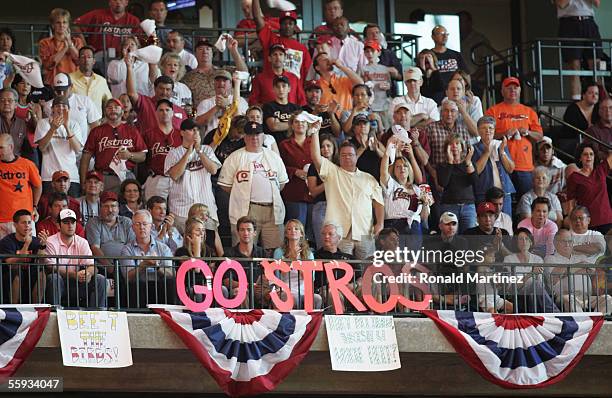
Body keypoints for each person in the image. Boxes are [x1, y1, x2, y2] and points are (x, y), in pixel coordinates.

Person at [310, 127, 384, 259]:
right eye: (343, 155)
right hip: (340, 235)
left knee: (367, 271)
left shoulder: (369, 178)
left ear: (356, 157)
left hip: (365, 233)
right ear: (339, 157)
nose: (347, 157)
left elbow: (378, 202)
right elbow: (316, 157)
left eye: (350, 154)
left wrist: (380, 223)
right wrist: (315, 132)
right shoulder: (332, 172)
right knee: (342, 273)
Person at [218, 122, 289, 251]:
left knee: (275, 252)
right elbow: (226, 186)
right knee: (244, 251)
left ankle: (271, 272)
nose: (254, 138)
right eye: (250, 135)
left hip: (272, 210)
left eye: (257, 135)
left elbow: (282, 184)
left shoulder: (274, 157)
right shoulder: (234, 157)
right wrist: (241, 194)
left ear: (263, 136)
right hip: (247, 209)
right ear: (244, 137)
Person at [485, 77, 544, 198]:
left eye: (515, 87)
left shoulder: (529, 111)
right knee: (503, 201)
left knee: (527, 201)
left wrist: (527, 132)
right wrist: (504, 134)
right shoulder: (493, 111)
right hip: (502, 164)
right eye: (509, 87)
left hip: (524, 165)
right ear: (502, 91)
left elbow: (539, 136)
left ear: (520, 90)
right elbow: (486, 135)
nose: (513, 90)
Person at [165, 118, 221, 233]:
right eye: (191, 130)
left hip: (206, 208)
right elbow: (174, 175)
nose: (196, 133)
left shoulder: (207, 150)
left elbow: (213, 170)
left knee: (209, 245)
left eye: (197, 130)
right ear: (182, 132)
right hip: (181, 210)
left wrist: (199, 150)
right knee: (184, 246)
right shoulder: (173, 153)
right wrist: (189, 151)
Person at [80, 98, 147, 193]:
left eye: (116, 107)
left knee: (127, 205)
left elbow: (143, 156)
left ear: (122, 111)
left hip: (126, 175)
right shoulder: (97, 131)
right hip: (104, 176)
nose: (113, 109)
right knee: (105, 206)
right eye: (109, 107)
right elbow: (86, 157)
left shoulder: (132, 131)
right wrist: (83, 181)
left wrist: (130, 155)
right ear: (105, 111)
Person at [46, 209, 106, 307]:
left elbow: (92, 266)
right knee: (54, 278)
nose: (70, 225)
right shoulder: (50, 241)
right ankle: (55, 311)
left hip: (79, 281)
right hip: (62, 281)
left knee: (100, 279)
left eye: (73, 222)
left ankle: (98, 313)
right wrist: (74, 275)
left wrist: (88, 273)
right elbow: (51, 267)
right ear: (58, 225)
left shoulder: (82, 242)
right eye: (66, 222)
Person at [545, 229, 611, 312]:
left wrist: (566, 271)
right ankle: (581, 324)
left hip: (586, 297)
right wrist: (579, 267)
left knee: (607, 299)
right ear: (555, 243)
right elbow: (555, 278)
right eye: (563, 241)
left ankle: (597, 323)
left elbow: (591, 271)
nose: (567, 244)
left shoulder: (580, 257)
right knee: (570, 299)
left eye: (570, 241)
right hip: (565, 296)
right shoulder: (550, 259)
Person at [119, 209, 175, 308]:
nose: (142, 227)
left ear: (151, 226)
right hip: (138, 287)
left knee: (169, 283)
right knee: (135, 284)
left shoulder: (163, 248)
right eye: (137, 224)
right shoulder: (127, 249)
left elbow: (171, 274)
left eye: (145, 224)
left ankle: (170, 314)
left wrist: (157, 267)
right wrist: (142, 266)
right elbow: (128, 277)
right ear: (132, 227)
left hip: (159, 285)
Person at [380, 138, 429, 249]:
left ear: (409, 169)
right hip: (394, 226)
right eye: (398, 166)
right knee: (396, 261)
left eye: (405, 166)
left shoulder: (418, 189)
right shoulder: (391, 184)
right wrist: (388, 149)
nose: (402, 168)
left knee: (412, 262)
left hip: (414, 228)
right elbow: (383, 171)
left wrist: (425, 204)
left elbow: (424, 217)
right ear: (393, 170)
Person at [125, 50, 188, 134]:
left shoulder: (180, 110)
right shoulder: (146, 103)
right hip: (148, 145)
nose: (164, 92)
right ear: (154, 88)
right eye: (161, 88)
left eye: (168, 89)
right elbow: (131, 94)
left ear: (172, 92)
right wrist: (129, 67)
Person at [34, 96, 83, 196]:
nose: (61, 108)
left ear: (69, 109)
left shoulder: (74, 125)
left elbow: (77, 149)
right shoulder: (43, 123)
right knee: (50, 209)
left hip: (71, 177)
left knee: (71, 210)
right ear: (52, 109)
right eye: (57, 106)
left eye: (64, 106)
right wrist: (52, 129)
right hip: (49, 177)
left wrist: (66, 126)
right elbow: (42, 147)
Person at [555, 0, 603, 99]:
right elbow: (561, 3)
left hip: (588, 21)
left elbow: (597, 3)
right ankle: (576, 103)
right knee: (574, 67)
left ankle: (600, 101)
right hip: (569, 22)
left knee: (596, 66)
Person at [253, 0, 311, 81]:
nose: (287, 26)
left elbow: (308, 73)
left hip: (294, 91)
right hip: (273, 88)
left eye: (290, 23)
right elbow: (257, 18)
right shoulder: (271, 39)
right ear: (280, 26)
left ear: (295, 27)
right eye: (284, 23)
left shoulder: (302, 49)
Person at [181, 38, 248, 108]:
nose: (205, 52)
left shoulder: (225, 71)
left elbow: (244, 73)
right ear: (195, 54)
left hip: (229, 113)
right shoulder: (187, 78)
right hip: (203, 115)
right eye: (200, 49)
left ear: (212, 53)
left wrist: (234, 50)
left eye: (208, 49)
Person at [503, 228, 558, 313]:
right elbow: (511, 288)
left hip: (535, 295)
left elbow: (541, 284)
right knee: (535, 287)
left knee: (534, 291)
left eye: (527, 239)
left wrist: (536, 275)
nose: (524, 242)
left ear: (531, 242)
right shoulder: (509, 259)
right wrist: (530, 274)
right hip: (518, 296)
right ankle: (556, 313)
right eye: (520, 239)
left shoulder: (537, 259)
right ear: (516, 242)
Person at [427, 99, 478, 189]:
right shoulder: (431, 128)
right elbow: (426, 156)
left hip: (461, 178)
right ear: (441, 112)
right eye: (446, 110)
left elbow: (467, 154)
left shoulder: (463, 129)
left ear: (458, 114)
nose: (449, 114)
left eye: (453, 111)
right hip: (439, 176)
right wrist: (433, 174)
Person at [73, 0, 141, 67]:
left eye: (121, 0)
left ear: (126, 2)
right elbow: (76, 25)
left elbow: (138, 41)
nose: (118, 2)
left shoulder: (134, 20)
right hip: (97, 56)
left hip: (122, 57)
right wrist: (85, 46)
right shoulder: (97, 14)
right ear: (109, 2)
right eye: (114, 0)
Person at [0, 210, 47, 304]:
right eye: (23, 222)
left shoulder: (35, 241)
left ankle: (37, 307)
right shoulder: (7, 242)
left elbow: (41, 260)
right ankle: (14, 308)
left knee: (41, 273)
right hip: (10, 277)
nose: (27, 225)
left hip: (30, 277)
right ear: (15, 225)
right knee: (16, 272)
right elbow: (10, 262)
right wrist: (26, 244)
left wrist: (42, 245)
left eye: (29, 222)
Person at [273, 219, 322, 309]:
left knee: (317, 298)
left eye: (296, 229)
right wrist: (292, 260)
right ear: (286, 234)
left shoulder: (308, 254)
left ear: (302, 234)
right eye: (289, 229)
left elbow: (309, 278)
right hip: (285, 289)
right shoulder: (279, 252)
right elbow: (278, 276)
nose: (293, 231)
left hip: (304, 290)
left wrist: (297, 262)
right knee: (293, 298)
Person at [0, 134, 42, 240]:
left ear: (11, 147)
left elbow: (38, 186)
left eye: (1, 148)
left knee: (27, 253)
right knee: (4, 255)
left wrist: (34, 206)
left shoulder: (27, 164)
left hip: (24, 219)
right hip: (2, 219)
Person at [566, 142, 612, 234]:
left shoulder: (600, 170)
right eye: (585, 154)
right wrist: (572, 224)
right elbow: (571, 203)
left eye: (591, 154)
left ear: (595, 157)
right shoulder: (574, 177)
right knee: (591, 248)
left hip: (606, 219)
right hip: (587, 222)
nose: (589, 157)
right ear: (580, 158)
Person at [278, 112, 314, 229]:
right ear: (292, 125)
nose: (300, 124)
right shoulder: (284, 145)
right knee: (297, 230)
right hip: (294, 192)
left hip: (314, 193)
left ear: (307, 124)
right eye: (296, 122)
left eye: (303, 121)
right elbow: (279, 167)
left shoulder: (314, 143)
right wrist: (295, 171)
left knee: (313, 231)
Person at [472, 116, 514, 215]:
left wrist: (502, 152)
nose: (488, 131)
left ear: (494, 130)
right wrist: (486, 153)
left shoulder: (501, 145)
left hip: (504, 194)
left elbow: (510, 169)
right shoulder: (474, 148)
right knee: (486, 223)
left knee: (505, 223)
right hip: (484, 194)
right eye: (484, 128)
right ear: (478, 131)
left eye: (490, 128)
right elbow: (475, 171)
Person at [141, 99, 182, 201]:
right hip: (156, 178)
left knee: (177, 213)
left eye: (167, 110)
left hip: (178, 179)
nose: (164, 113)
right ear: (156, 113)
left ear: (172, 113)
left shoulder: (181, 134)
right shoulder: (148, 134)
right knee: (154, 211)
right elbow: (143, 159)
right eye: (161, 110)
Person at [223, 216, 269, 308]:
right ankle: (244, 322)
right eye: (242, 230)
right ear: (238, 232)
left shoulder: (262, 253)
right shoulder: (229, 254)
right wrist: (248, 285)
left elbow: (268, 276)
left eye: (249, 230)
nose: (246, 233)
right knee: (241, 292)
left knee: (274, 294)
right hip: (238, 289)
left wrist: (261, 286)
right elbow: (226, 281)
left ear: (255, 232)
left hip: (259, 290)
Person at [436, 134, 477, 233]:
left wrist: (468, 161)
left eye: (457, 143)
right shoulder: (442, 165)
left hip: (468, 206)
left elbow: (474, 181)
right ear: (447, 148)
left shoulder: (468, 164)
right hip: (449, 206)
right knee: (450, 237)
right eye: (451, 144)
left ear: (462, 147)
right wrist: (450, 162)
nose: (454, 146)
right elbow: (443, 183)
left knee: (469, 237)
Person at [85, 190, 135, 271]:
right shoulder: (93, 223)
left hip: (125, 266)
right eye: (106, 206)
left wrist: (124, 266)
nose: (110, 210)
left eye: (113, 206)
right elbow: (95, 248)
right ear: (100, 208)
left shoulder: (126, 222)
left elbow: (131, 246)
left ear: (118, 208)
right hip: (103, 267)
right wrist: (111, 268)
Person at [45, 73, 101, 140]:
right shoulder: (48, 105)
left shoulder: (85, 101)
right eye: (58, 91)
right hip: (58, 148)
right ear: (53, 89)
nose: (61, 94)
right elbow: (46, 130)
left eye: (64, 90)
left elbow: (96, 127)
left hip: (82, 148)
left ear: (71, 87)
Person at [195, 70, 248, 138]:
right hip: (210, 139)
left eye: (224, 80)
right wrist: (217, 107)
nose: (221, 83)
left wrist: (227, 107)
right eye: (218, 80)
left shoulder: (241, 100)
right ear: (214, 83)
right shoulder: (205, 102)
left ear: (230, 84)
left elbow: (240, 124)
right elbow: (198, 123)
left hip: (233, 140)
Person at [39, 8, 84, 86]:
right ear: (53, 25)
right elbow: (48, 65)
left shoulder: (77, 41)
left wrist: (70, 44)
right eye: (58, 22)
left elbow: (79, 61)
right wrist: (65, 48)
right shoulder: (45, 42)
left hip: (73, 83)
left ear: (68, 25)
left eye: (64, 22)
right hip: (53, 83)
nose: (62, 25)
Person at [307, 134, 337, 249]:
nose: (325, 149)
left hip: (338, 207)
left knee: (338, 244)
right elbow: (313, 191)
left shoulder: (339, 164)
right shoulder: (313, 167)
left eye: (328, 146)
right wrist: (328, 181)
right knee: (323, 244)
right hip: (321, 206)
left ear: (334, 148)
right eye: (322, 146)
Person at [362, 23, 403, 96]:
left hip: (387, 95)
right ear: (365, 38)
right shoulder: (360, 53)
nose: (375, 35)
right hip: (366, 95)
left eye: (377, 33)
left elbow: (401, 76)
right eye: (371, 33)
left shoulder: (389, 54)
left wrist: (395, 74)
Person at [69, 46, 112, 113]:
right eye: (83, 57)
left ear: (94, 61)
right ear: (78, 60)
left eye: (89, 57)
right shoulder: (69, 79)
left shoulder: (101, 81)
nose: (86, 60)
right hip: (75, 122)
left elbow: (109, 103)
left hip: (97, 123)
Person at [360, 40, 391, 128]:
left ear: (379, 52)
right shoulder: (362, 69)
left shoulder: (384, 69)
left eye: (372, 51)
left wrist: (387, 86)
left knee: (386, 130)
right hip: (369, 107)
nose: (369, 54)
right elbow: (359, 86)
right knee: (372, 132)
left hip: (384, 106)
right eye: (367, 51)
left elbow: (389, 86)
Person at [262, 75, 301, 143]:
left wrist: (281, 124)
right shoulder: (268, 106)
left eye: (284, 86)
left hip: (294, 145)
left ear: (289, 88)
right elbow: (274, 126)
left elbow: (303, 126)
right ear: (273, 89)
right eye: (277, 86)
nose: (281, 89)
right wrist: (295, 123)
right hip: (275, 146)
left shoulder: (296, 108)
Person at [1, 89, 36, 163]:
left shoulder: (22, 123)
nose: (6, 103)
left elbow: (27, 150)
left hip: (17, 167)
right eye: (2, 100)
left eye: (10, 100)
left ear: (16, 104)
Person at [346, 113, 384, 181]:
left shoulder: (375, 142)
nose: (362, 126)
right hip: (358, 181)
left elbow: (388, 160)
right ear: (354, 128)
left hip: (376, 181)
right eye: (358, 124)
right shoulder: (349, 143)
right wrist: (362, 148)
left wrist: (377, 150)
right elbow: (348, 162)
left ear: (369, 126)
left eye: (365, 123)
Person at [585, 96, 612, 161]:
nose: (608, 111)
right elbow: (595, 154)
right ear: (599, 111)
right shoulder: (592, 131)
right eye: (604, 108)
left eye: (611, 108)